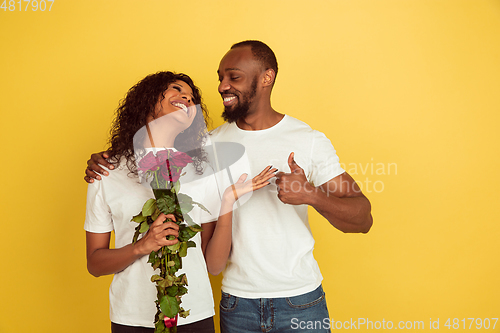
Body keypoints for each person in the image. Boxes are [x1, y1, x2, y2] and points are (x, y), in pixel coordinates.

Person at [86, 41, 373, 333]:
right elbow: (153, 147)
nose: (222, 86)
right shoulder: (205, 147)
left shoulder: (307, 140)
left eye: (233, 77)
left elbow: (362, 218)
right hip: (236, 304)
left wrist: (311, 194)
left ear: (266, 77)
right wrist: (110, 159)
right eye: (220, 77)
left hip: (300, 299)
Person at [84, 71, 276, 333]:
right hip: (131, 317)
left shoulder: (201, 169)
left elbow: (214, 265)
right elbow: (95, 264)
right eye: (176, 89)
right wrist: (142, 246)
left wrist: (228, 200)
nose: (186, 97)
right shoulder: (107, 171)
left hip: (194, 315)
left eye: (191, 97)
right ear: (147, 100)